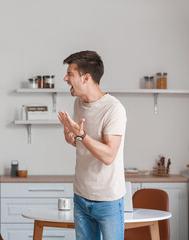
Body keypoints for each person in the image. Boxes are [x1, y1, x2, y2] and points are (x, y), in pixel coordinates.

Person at [58, 50, 127, 240]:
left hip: (108, 200)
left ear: (86, 78)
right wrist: (74, 140)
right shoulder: (79, 103)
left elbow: (108, 155)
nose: (65, 78)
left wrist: (82, 135)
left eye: (70, 74)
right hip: (81, 195)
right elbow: (87, 145)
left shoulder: (114, 109)